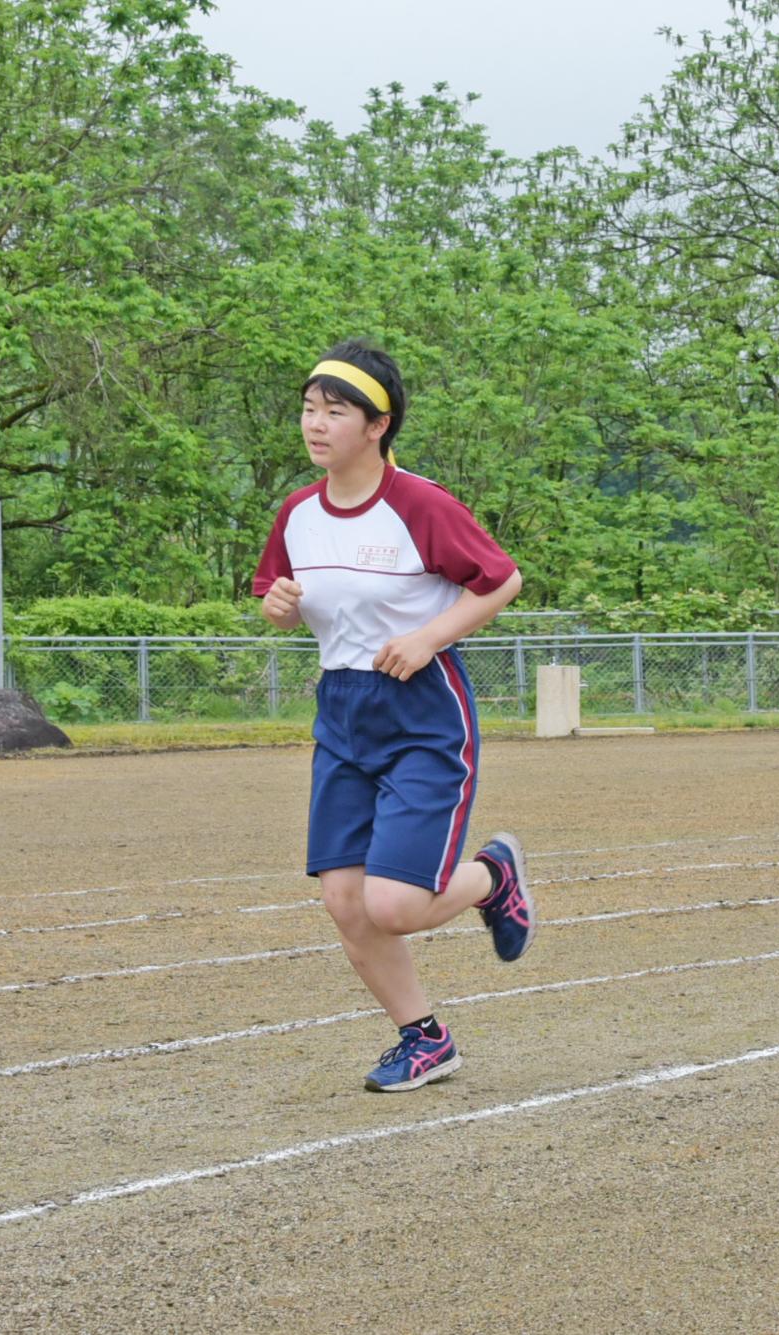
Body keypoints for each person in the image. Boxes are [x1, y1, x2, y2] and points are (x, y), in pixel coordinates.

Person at [254, 339, 533, 1091]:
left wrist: (426, 637)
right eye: (309, 409)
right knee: (346, 899)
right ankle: (424, 1038)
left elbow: (500, 581)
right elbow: (282, 598)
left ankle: (493, 875)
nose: (315, 425)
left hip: (421, 709)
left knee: (396, 903)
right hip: (342, 709)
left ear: (378, 425)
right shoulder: (299, 512)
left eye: (335, 412)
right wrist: (279, 605)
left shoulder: (421, 505)